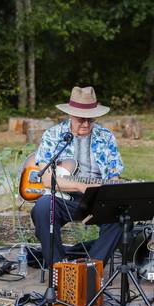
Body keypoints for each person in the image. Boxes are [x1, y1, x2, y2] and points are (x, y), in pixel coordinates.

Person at [30, 86, 124, 269]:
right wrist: (81, 187)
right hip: (64, 198)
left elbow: (114, 177)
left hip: (98, 198)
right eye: (81, 120)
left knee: (122, 217)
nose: (87, 125)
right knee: (42, 208)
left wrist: (106, 189)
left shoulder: (106, 137)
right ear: (71, 115)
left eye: (91, 119)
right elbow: (47, 179)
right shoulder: (53, 135)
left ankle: (90, 269)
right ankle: (59, 269)